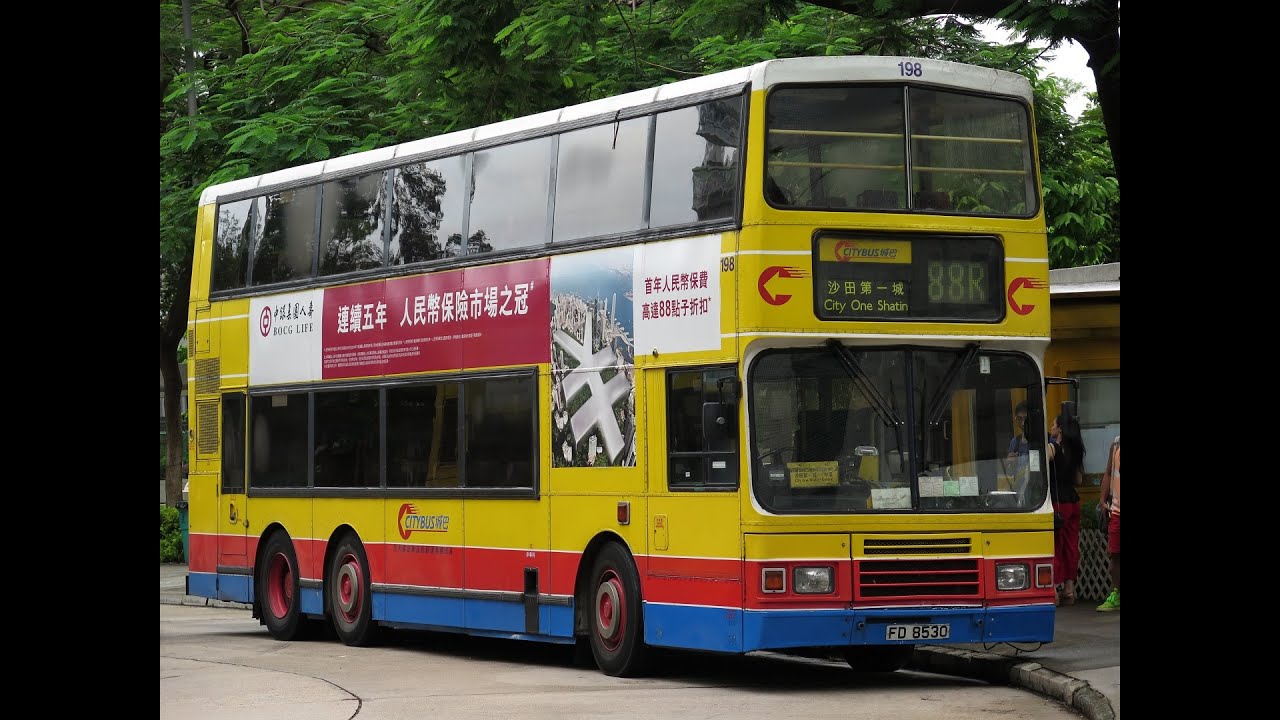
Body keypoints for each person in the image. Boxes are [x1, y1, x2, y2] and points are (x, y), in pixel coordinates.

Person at [1046, 413, 1084, 606]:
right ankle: (1069, 590)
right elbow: (1079, 480)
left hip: (1057, 502)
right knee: (1070, 546)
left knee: (1054, 546)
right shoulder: (1076, 450)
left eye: (1054, 424)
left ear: (1060, 428)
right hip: (1073, 502)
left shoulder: (1052, 447)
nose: (1051, 427)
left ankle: (1053, 590)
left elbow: (1038, 468)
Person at [1096, 435, 1120, 611]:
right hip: (1117, 511)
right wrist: (1102, 499)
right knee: (1115, 554)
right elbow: (1109, 472)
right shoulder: (1116, 444)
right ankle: (1116, 594)